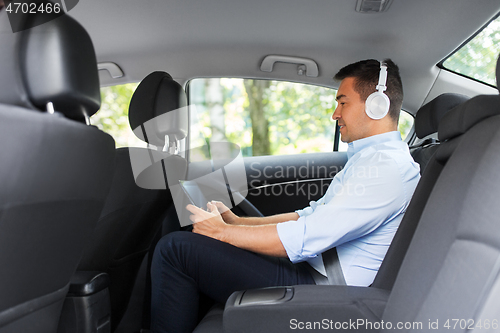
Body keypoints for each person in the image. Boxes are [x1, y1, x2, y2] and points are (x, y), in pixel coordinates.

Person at [150, 59, 421, 333]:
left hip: (324, 290)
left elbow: (306, 235)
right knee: (190, 244)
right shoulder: (371, 159)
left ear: (378, 105)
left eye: (343, 102)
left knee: (175, 250)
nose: (335, 114)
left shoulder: (386, 168)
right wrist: (234, 223)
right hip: (312, 270)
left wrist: (220, 233)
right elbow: (307, 216)